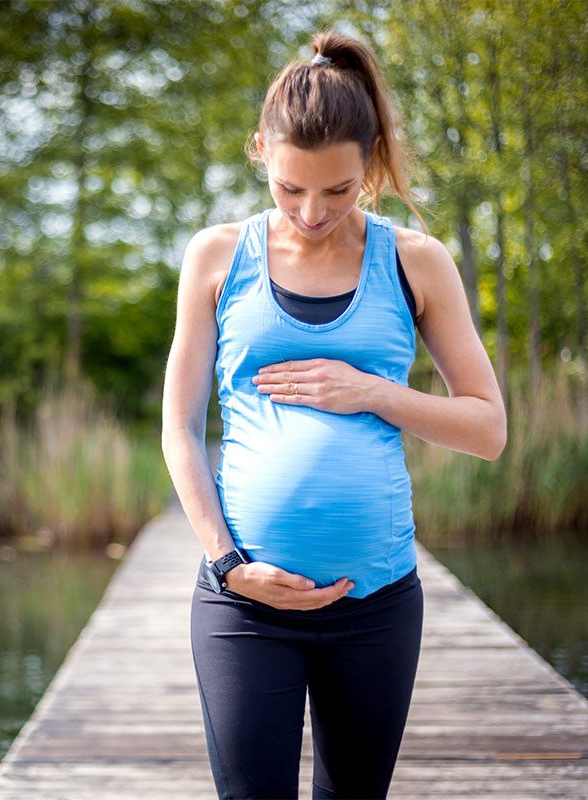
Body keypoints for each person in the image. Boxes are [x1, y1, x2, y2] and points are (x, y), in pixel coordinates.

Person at [160, 29, 507, 800]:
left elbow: (487, 428)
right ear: (260, 152)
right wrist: (228, 565)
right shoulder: (217, 257)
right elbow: (179, 429)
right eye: (289, 189)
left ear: (371, 162)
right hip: (244, 604)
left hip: (375, 606)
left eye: (338, 190)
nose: (312, 212)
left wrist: (373, 391)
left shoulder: (415, 261)